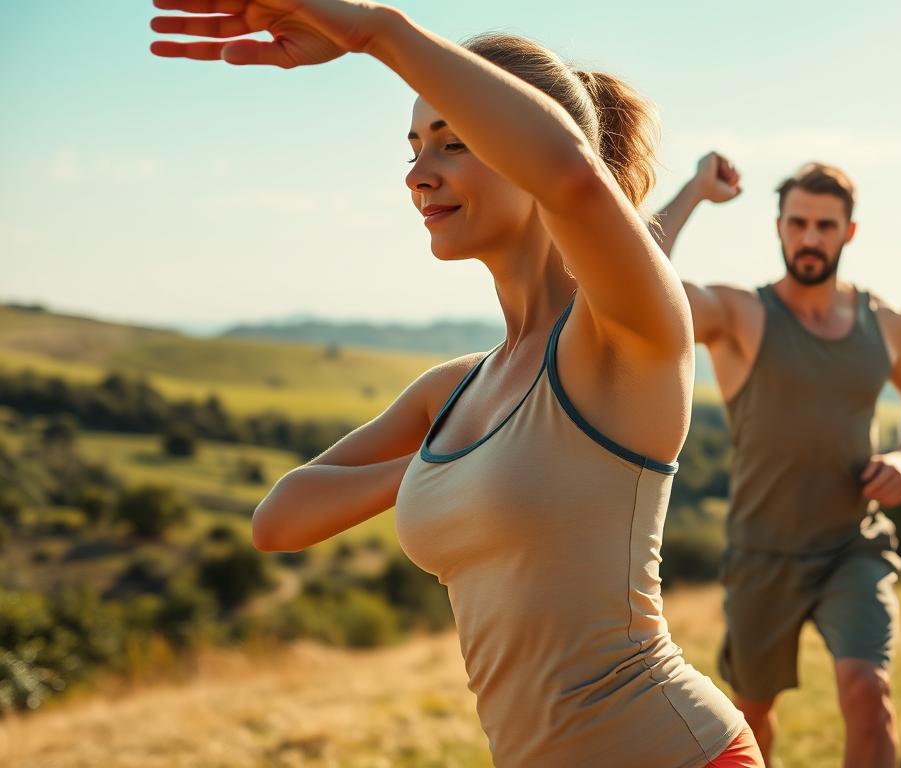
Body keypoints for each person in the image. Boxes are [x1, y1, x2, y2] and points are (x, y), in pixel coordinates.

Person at [151, 2, 763, 765]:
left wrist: (374, 31)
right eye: (413, 145)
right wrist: (438, 468)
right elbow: (279, 520)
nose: (417, 174)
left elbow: (570, 176)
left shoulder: (624, 337)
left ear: (524, 148)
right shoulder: (453, 392)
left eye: (454, 142)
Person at [653, 152, 901, 768]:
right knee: (752, 718)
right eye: (797, 223)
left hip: (853, 542)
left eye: (825, 225)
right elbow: (637, 278)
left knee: (869, 688)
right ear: (780, 227)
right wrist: (693, 192)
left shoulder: (888, 322)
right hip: (763, 551)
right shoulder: (742, 315)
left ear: (849, 232)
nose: (810, 238)